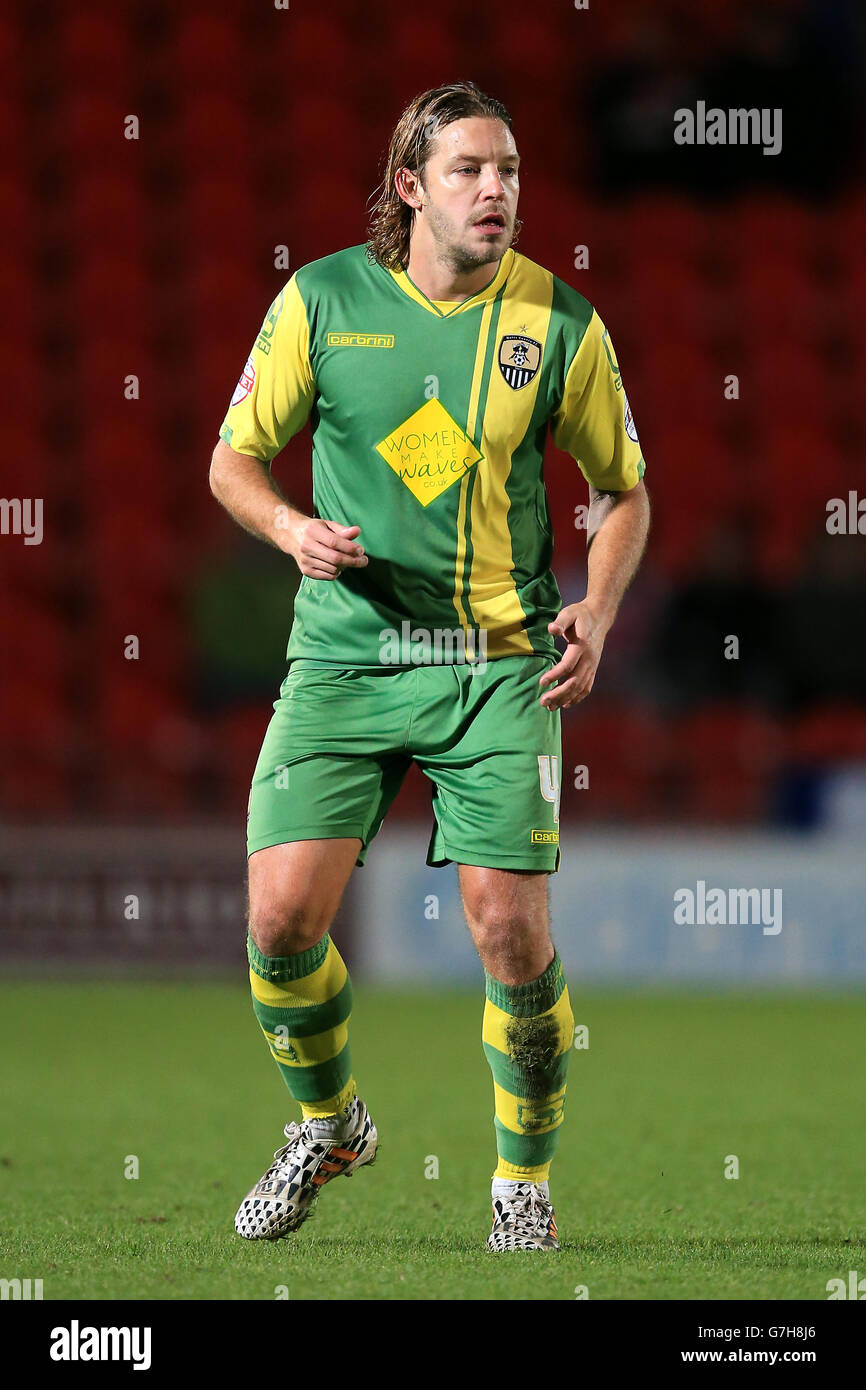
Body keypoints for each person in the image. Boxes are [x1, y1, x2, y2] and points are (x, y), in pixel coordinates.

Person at [209, 81, 650, 1252]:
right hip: (346, 654)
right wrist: (287, 529)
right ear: (410, 186)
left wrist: (596, 611)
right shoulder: (321, 301)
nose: (496, 189)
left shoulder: (558, 323)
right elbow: (234, 459)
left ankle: (520, 1181)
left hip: (497, 663)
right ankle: (327, 1122)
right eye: (468, 170)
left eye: (507, 169)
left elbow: (621, 491)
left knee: (507, 929)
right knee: (277, 923)